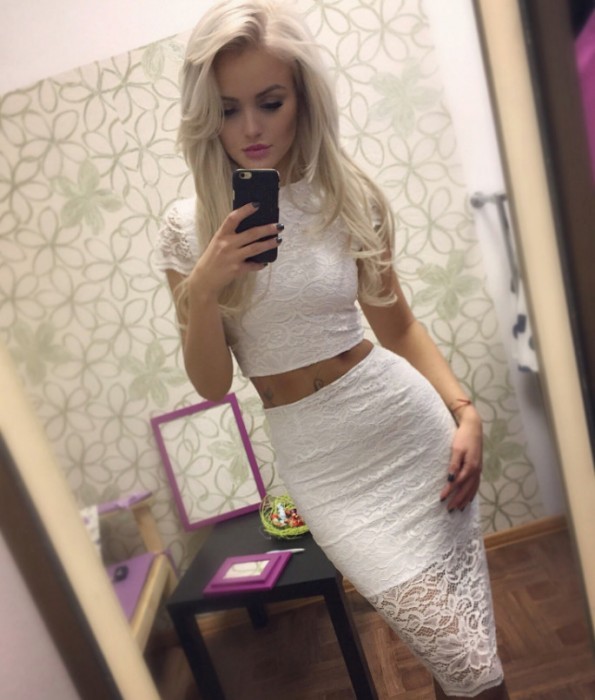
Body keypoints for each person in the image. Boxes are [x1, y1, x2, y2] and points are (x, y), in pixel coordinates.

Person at [154, 1, 510, 697]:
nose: (250, 128)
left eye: (270, 102)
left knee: (464, 661)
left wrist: (463, 411)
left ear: (302, 98)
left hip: (408, 433)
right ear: (205, 114)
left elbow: (397, 325)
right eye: (227, 109)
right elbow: (211, 384)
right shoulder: (187, 229)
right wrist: (204, 287)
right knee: (469, 663)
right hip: (326, 470)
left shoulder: (347, 197)